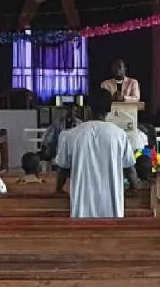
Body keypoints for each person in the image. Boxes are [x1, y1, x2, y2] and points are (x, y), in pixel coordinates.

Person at [55, 87, 140, 218]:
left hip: (81, 210)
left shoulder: (71, 135)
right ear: (110, 109)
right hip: (112, 210)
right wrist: (134, 187)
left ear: (88, 108)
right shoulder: (119, 135)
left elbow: (63, 170)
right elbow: (129, 169)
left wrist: (59, 189)